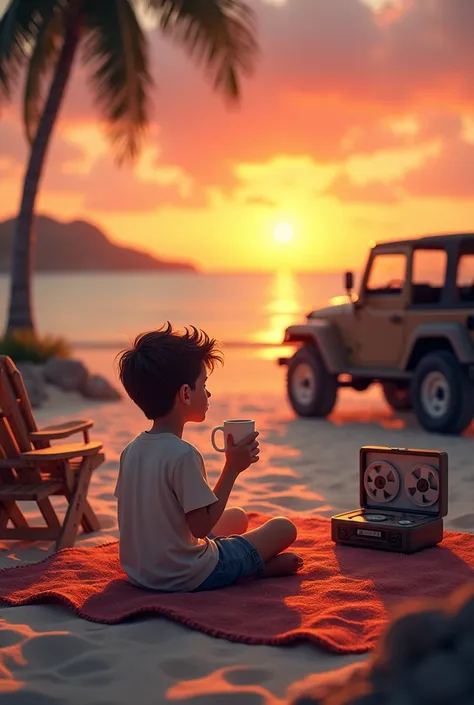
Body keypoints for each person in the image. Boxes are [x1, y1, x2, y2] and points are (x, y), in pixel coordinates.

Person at [114, 322, 302, 592]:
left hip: (141, 572)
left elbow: (148, 518)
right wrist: (232, 468)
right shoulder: (183, 454)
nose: (209, 393)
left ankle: (248, 564)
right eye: (204, 384)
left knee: (236, 516)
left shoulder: (130, 450)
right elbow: (201, 527)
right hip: (184, 574)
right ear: (186, 394)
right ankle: (253, 570)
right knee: (284, 528)